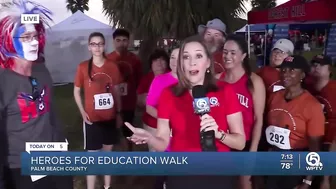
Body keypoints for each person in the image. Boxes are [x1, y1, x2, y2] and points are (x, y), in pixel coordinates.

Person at [124, 35, 245, 189]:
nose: (192, 62)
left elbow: (240, 143)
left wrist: (218, 133)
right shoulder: (169, 94)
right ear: (181, 63)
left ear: (208, 62)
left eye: (198, 56)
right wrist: (150, 138)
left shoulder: (225, 91)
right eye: (186, 57)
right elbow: (162, 142)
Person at [0, 1, 73, 189]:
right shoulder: (3, 81)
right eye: (25, 37)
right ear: (9, 40)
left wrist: (62, 145)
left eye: (34, 36)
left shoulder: (42, 70)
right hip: (21, 164)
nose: (33, 42)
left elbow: (52, 112)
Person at [265, 55, 325, 189]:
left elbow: (315, 149)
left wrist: (307, 181)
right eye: (283, 70)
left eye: (292, 70)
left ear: (302, 75)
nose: (285, 74)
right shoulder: (274, 97)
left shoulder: (312, 106)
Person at [73, 32, 122, 189]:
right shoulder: (82, 67)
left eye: (100, 44)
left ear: (104, 45)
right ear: (89, 47)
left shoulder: (112, 66)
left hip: (109, 118)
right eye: (93, 44)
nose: (97, 47)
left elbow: (116, 91)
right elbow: (76, 91)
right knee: (93, 157)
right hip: (91, 119)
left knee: (107, 156)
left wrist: (119, 113)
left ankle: (107, 186)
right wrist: (82, 112)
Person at [216, 34, 266, 189]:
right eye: (225, 52)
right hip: (222, 142)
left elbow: (258, 119)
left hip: (244, 143)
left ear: (243, 55)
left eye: (232, 53)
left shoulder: (254, 81)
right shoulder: (217, 79)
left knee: (244, 184)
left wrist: (253, 151)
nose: (227, 56)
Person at [107, 29, 142, 151]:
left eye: (124, 40)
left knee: (128, 130)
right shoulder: (107, 59)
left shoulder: (135, 59)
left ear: (129, 42)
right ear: (113, 41)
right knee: (111, 132)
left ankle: (128, 155)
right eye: (118, 40)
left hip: (129, 102)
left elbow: (139, 80)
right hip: (111, 102)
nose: (121, 43)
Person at [306, 55, 336, 189]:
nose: (316, 66)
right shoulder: (306, 87)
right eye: (314, 64)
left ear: (329, 70)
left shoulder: (334, 90)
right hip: (309, 141)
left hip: (329, 144)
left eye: (321, 64)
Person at [145, 48, 179, 151]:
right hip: (163, 131)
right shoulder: (159, 80)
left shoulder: (193, 80)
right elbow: (149, 107)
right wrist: (169, 121)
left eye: (178, 58)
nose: (174, 61)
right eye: (172, 58)